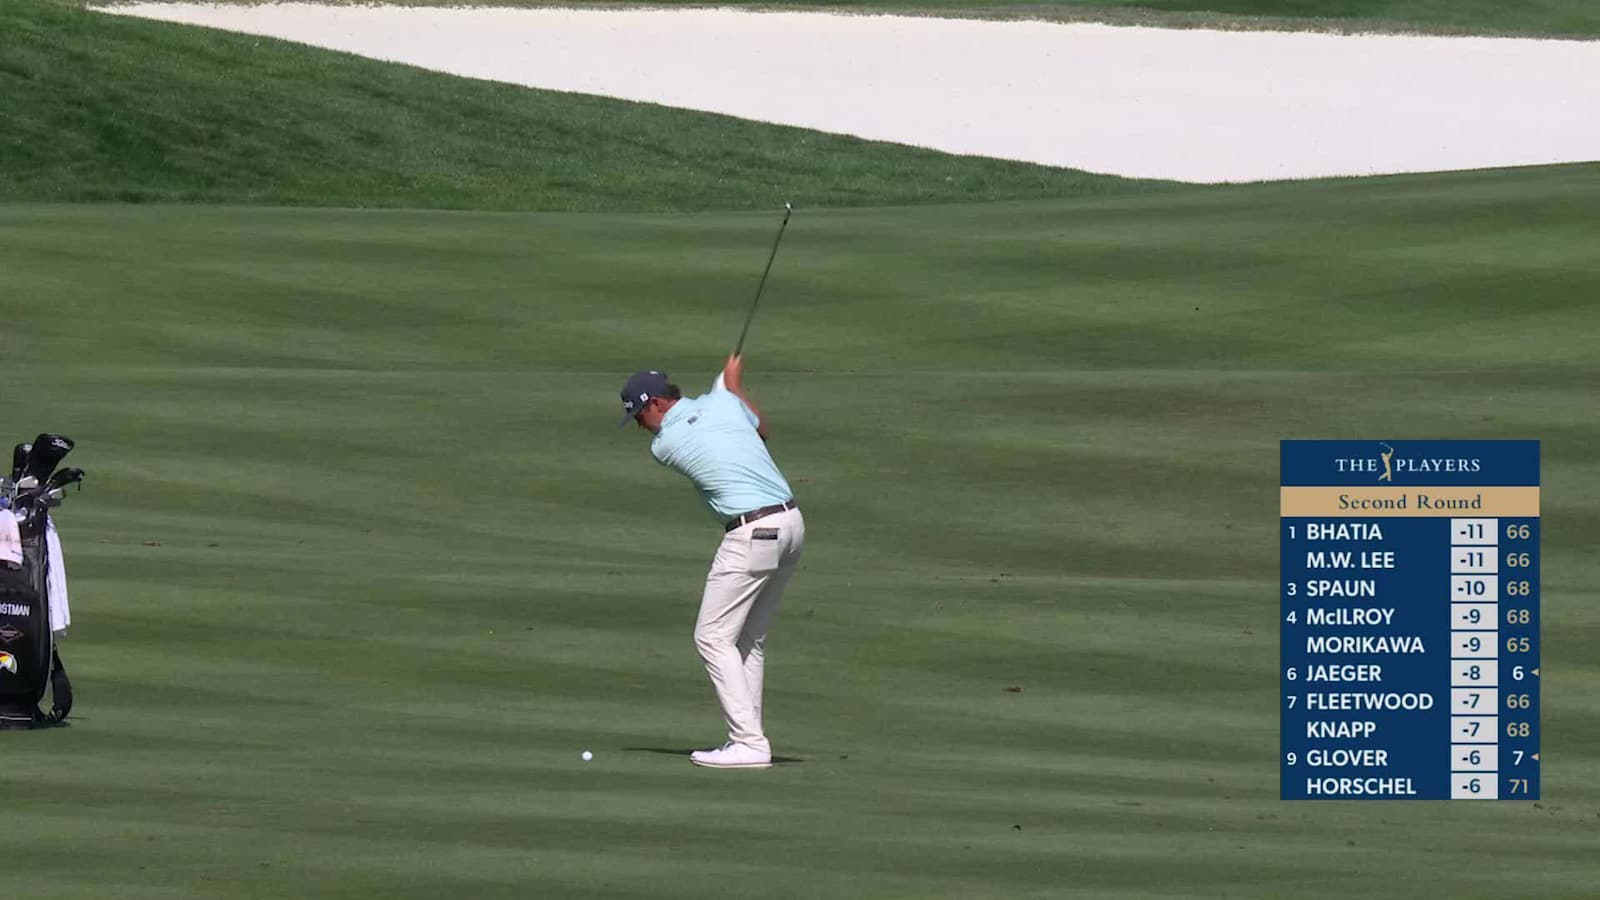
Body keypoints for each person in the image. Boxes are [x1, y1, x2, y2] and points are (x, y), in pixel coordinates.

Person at [617, 353, 804, 769]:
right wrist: (733, 387)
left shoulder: (664, 445)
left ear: (656, 405)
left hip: (751, 533)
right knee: (746, 639)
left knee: (712, 637)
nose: (641, 428)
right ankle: (750, 739)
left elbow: (702, 427)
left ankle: (749, 743)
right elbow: (763, 431)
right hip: (791, 524)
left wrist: (726, 389)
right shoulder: (722, 404)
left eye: (639, 417)